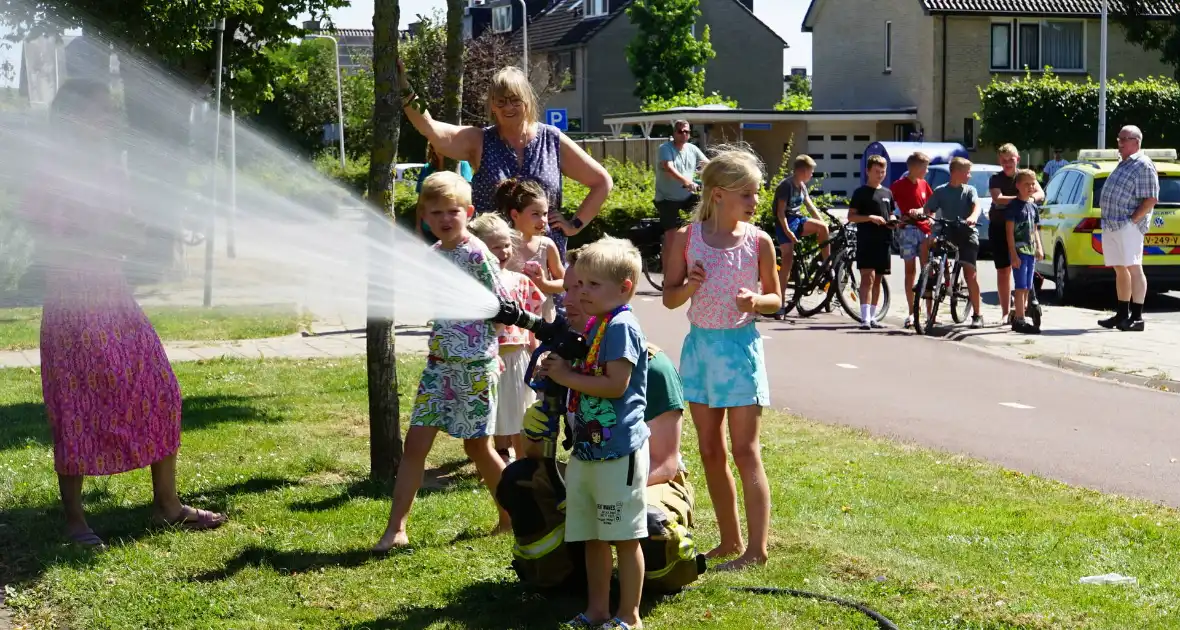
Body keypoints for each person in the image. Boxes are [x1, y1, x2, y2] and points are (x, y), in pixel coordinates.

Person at [20, 78, 226, 549]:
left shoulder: (111, 168)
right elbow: (41, 234)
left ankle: (167, 506)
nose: (109, 120)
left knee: (160, 389)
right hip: (72, 299)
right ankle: (74, 519)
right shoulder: (48, 170)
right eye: (99, 112)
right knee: (76, 407)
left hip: (113, 292)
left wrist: (138, 235)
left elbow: (123, 230)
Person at [496, 245, 702, 597]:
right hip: (592, 461)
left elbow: (665, 462)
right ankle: (564, 579)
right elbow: (535, 456)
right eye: (570, 287)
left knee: (648, 527)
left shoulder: (651, 363)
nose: (575, 298)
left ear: (617, 289)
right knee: (520, 481)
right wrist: (541, 419)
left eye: (587, 286)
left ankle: (649, 588)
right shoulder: (570, 356)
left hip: (637, 473)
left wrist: (601, 494)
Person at [374, 171, 512, 552]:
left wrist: (490, 346)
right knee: (415, 444)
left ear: (468, 212)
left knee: (477, 448)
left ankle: (511, 517)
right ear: (424, 215)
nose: (445, 219)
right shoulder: (434, 255)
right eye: (436, 213)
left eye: (453, 211)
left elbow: (504, 307)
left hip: (473, 367)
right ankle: (396, 528)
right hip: (439, 366)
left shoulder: (477, 254)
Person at [662, 146, 782, 571]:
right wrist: (690, 287)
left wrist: (757, 301)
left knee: (746, 450)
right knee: (711, 449)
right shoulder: (683, 239)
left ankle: (757, 548)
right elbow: (670, 299)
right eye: (746, 194)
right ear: (717, 195)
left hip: (740, 350)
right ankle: (730, 541)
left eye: (756, 193)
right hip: (700, 350)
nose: (755, 202)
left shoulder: (759, 241)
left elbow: (775, 298)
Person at [397, 59, 612, 262]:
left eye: (515, 100)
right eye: (501, 101)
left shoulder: (552, 140)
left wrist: (574, 225)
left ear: (527, 101)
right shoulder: (479, 141)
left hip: (543, 264)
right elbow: (430, 127)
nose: (508, 107)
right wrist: (404, 88)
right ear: (492, 106)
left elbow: (602, 182)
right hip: (490, 262)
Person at [538, 238, 650, 629]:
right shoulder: (597, 324)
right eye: (578, 283)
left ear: (625, 288)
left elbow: (616, 384)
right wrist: (555, 369)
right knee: (593, 536)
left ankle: (629, 616)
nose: (581, 292)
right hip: (587, 450)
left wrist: (567, 375)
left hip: (618, 453)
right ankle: (597, 611)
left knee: (623, 536)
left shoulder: (620, 326)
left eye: (592, 285)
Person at [468, 213, 544, 462]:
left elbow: (534, 318)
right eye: (495, 247)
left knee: (520, 414)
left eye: (506, 245)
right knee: (496, 414)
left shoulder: (520, 281)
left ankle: (524, 463)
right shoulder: (476, 285)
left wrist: (536, 352)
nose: (503, 251)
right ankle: (498, 459)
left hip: (517, 358)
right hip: (490, 358)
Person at [1098, 125, 1159, 332]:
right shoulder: (1124, 163)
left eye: (1125, 139)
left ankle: (1138, 317)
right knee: (1119, 268)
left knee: (1134, 268)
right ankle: (1122, 314)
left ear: (1137, 142)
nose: (1120, 143)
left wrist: (1132, 221)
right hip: (1112, 223)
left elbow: (1151, 198)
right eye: (1119, 138)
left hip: (1128, 225)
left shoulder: (1143, 165)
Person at [920, 157, 984, 329]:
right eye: (967, 172)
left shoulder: (969, 190)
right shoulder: (941, 191)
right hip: (947, 230)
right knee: (928, 245)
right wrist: (930, 219)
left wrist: (972, 217)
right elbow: (928, 208)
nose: (969, 176)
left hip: (966, 232)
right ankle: (929, 277)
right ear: (955, 172)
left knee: (970, 272)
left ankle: (977, 314)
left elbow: (976, 206)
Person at [989, 143, 1045, 326]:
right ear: (999, 161)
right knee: (1003, 270)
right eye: (1003, 160)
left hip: (1023, 232)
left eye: (1010, 160)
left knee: (1025, 272)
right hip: (1000, 227)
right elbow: (998, 198)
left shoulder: (1025, 177)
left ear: (1017, 160)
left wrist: (1027, 197)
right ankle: (1006, 312)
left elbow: (1040, 193)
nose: (1007, 163)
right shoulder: (996, 179)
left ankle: (1022, 309)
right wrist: (1021, 198)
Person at [497, 178, 565, 322]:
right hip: (513, 324)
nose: (543, 220)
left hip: (543, 323)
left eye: (545, 214)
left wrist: (544, 284)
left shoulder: (547, 246)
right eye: (536, 214)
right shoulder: (503, 246)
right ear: (515, 215)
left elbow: (564, 282)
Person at [773, 154, 830, 316]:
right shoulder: (786, 186)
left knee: (823, 229)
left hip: (798, 220)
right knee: (787, 264)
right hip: (784, 222)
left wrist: (823, 223)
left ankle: (827, 266)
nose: (812, 175)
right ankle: (780, 304)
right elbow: (780, 212)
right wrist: (787, 231)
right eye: (811, 171)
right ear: (802, 171)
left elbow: (811, 208)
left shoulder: (802, 186)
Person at [847, 154, 896, 329]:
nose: (880, 174)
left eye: (883, 171)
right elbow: (851, 216)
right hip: (867, 239)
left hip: (884, 240)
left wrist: (893, 220)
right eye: (877, 171)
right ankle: (865, 318)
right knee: (868, 277)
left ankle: (873, 317)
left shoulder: (887, 192)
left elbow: (891, 212)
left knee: (878, 280)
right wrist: (870, 218)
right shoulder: (860, 193)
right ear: (868, 171)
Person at [891, 152, 934, 329]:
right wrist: (895, 219)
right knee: (910, 271)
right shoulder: (898, 185)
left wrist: (930, 216)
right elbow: (889, 207)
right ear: (914, 167)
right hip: (907, 230)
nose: (927, 170)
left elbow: (931, 207)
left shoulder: (925, 184)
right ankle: (911, 311)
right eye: (924, 167)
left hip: (924, 231)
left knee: (927, 270)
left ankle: (930, 313)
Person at [1006, 169, 1046, 334]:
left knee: (1028, 285)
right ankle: (1020, 319)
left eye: (1033, 184)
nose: (1030, 187)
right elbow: (1009, 233)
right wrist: (1013, 254)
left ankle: (1021, 315)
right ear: (1018, 185)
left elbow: (1034, 229)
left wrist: (1039, 247)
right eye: (1026, 184)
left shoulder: (1032, 206)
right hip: (1019, 250)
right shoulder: (1013, 207)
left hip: (1030, 251)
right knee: (1020, 285)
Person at [654, 120, 708, 241]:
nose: (684, 134)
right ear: (674, 133)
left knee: (707, 215)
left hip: (687, 197)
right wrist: (687, 182)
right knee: (671, 236)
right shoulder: (665, 148)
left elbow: (707, 165)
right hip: (667, 199)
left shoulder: (692, 148)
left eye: (687, 132)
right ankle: (668, 258)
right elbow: (669, 167)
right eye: (680, 131)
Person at [415, 143, 474, 243]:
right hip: (430, 228)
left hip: (453, 227)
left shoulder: (462, 164)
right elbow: (421, 201)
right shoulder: (427, 168)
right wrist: (418, 227)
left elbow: (468, 196)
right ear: (432, 148)